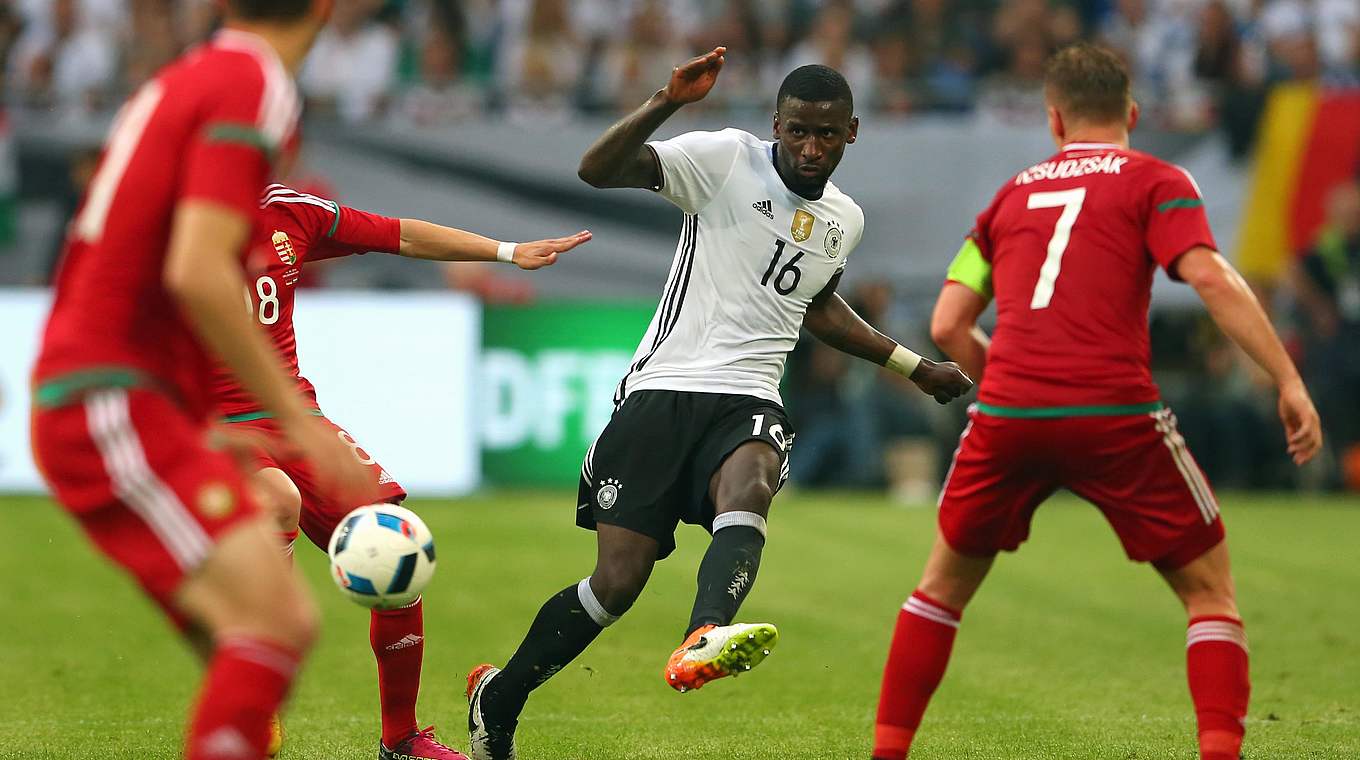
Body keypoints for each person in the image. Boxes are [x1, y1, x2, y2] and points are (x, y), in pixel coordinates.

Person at [464, 49, 973, 760]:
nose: (810, 147)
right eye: (798, 131)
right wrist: (666, 101)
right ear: (776, 123)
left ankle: (704, 635)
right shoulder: (727, 159)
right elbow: (598, 170)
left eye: (827, 135)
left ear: (852, 133)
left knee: (754, 479)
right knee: (616, 585)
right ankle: (501, 695)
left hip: (751, 395)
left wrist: (911, 365)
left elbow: (815, 304)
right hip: (665, 388)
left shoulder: (842, 220)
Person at [870, 43, 1323, 760]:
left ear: (1054, 121)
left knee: (938, 591)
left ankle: (887, 752)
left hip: (1009, 412)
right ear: (1133, 114)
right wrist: (1287, 380)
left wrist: (1015, 389)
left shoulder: (1009, 198)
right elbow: (1205, 275)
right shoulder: (1155, 179)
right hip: (1113, 411)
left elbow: (946, 326)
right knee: (1209, 593)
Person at [27, 3, 378, 760]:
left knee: (260, 633)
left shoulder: (193, 74)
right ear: (325, 8)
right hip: (109, 395)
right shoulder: (256, 82)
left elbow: (150, 256)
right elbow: (196, 271)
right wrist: (301, 424)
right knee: (275, 623)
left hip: (123, 391)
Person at [215, 182, 591, 760]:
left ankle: (401, 738)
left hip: (292, 414)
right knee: (276, 501)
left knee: (392, 541)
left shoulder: (289, 210)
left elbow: (402, 235)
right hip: (209, 422)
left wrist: (507, 251)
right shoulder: (166, 221)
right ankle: (253, 702)